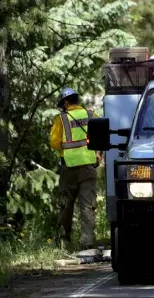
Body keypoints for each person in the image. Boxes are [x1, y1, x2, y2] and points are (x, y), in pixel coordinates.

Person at [50, 87, 102, 251]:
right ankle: (87, 242)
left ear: (65, 102)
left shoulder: (61, 119)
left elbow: (54, 143)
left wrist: (65, 150)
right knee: (87, 205)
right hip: (88, 166)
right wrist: (97, 155)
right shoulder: (91, 115)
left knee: (66, 205)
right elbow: (101, 136)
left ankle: (64, 241)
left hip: (69, 168)